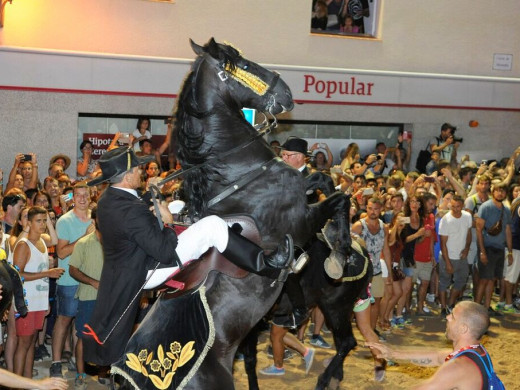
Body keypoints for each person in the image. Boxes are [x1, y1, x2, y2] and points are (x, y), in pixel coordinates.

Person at [82, 146, 294, 367]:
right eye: (136, 169)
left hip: (130, 267)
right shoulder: (129, 211)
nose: (141, 172)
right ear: (126, 177)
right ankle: (266, 264)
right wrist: (168, 221)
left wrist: (152, 194)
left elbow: (133, 208)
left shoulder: (109, 199)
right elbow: (164, 250)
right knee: (212, 226)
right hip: (149, 268)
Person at [367, 301, 504, 390]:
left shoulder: (458, 367)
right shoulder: (477, 351)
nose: (447, 317)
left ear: (463, 328)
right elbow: (437, 356)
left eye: (453, 316)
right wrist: (393, 353)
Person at [13, 206, 64, 378]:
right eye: (38, 221)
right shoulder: (23, 245)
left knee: (31, 342)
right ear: (28, 222)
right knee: (23, 344)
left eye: (44, 221)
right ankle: (17, 385)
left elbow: (55, 240)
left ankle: (27, 380)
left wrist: (45, 302)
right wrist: (47, 273)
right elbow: (17, 275)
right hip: (26, 302)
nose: (42, 225)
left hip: (39, 302)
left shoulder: (43, 241)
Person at [50, 184, 94, 378]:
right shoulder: (65, 220)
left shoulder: (96, 218)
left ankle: (80, 364)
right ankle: (56, 362)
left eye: (86, 195)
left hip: (90, 280)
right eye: (78, 195)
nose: (82, 198)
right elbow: (61, 252)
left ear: (91, 197)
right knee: (64, 320)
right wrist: (84, 237)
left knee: (83, 325)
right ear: (73, 198)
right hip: (69, 280)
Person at [68, 206, 110, 389]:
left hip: (109, 299)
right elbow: (73, 270)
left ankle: (102, 374)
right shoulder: (83, 243)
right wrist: (93, 282)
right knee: (83, 338)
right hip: (87, 298)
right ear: (94, 221)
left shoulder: (114, 243)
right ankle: (80, 374)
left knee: (106, 337)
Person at [475, 182, 513, 316]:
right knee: (484, 279)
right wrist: (482, 251)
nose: (500, 193)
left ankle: (486, 307)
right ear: (493, 191)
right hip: (487, 247)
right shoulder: (486, 207)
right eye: (498, 191)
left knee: (493, 279)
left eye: (503, 191)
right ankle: (476, 309)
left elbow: (507, 230)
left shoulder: (506, 210)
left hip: (499, 248)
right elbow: (478, 230)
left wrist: (509, 251)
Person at [438, 195, 473, 317]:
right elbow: (443, 243)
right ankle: (443, 307)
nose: (455, 209)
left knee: (461, 281)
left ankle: (450, 304)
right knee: (444, 282)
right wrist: (447, 262)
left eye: (458, 206)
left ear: (462, 206)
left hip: (461, 257)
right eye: (453, 206)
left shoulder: (467, 217)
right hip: (447, 256)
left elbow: (469, 233)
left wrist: (467, 249)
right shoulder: (446, 219)